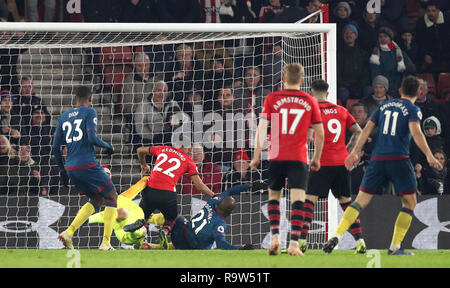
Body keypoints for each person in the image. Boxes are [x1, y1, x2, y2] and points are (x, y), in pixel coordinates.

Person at [323, 76, 443, 255]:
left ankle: (338, 234)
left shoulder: (383, 106)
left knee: (359, 201)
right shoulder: (413, 109)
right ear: (418, 93)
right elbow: (416, 133)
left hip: (377, 160)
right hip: (399, 160)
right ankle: (395, 246)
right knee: (410, 202)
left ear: (400, 91)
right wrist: (429, 155)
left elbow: (366, 131)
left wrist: (355, 152)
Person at [250, 63, 324, 256]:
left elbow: (262, 129)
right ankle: (293, 244)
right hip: (298, 157)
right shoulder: (310, 100)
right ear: (302, 80)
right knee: (298, 200)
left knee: (274, 197)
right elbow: (320, 134)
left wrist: (257, 155)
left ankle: (275, 238)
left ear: (283, 79)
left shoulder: (272, 98)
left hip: (276, 156)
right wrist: (316, 158)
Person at [300, 79, 366, 254]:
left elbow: (307, 139)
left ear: (311, 94)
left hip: (322, 163)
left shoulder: (312, 112)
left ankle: (301, 241)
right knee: (346, 204)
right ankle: (360, 241)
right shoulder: (342, 110)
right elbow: (359, 132)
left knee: (309, 202)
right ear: (328, 94)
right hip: (341, 164)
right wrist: (351, 152)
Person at [53, 86, 117, 251]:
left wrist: (62, 171)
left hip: (71, 168)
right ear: (91, 99)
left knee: (98, 199)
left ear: (75, 98)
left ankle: (68, 233)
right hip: (87, 164)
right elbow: (92, 137)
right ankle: (106, 243)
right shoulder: (90, 112)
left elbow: (55, 147)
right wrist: (108, 146)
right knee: (112, 197)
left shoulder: (63, 117)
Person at [132, 143, 215, 249]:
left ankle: (142, 243)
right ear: (188, 149)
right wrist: (214, 195)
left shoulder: (164, 148)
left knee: (143, 218)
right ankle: (165, 230)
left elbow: (139, 150)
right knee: (172, 219)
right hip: (167, 195)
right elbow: (199, 186)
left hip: (150, 191)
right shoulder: (188, 160)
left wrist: (143, 165)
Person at [162, 183, 265, 250]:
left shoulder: (213, 201)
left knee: (179, 218)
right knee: (207, 247)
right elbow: (220, 244)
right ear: (229, 213)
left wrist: (250, 185)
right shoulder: (219, 223)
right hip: (189, 248)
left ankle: (164, 230)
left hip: (178, 234)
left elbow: (230, 190)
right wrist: (239, 249)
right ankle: (168, 245)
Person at [85, 173, 166, 249]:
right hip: (135, 220)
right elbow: (136, 188)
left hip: (122, 232)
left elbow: (101, 216)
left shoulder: (114, 204)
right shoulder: (122, 198)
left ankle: (139, 240)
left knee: (133, 234)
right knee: (141, 230)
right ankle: (141, 236)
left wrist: (88, 219)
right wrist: (147, 179)